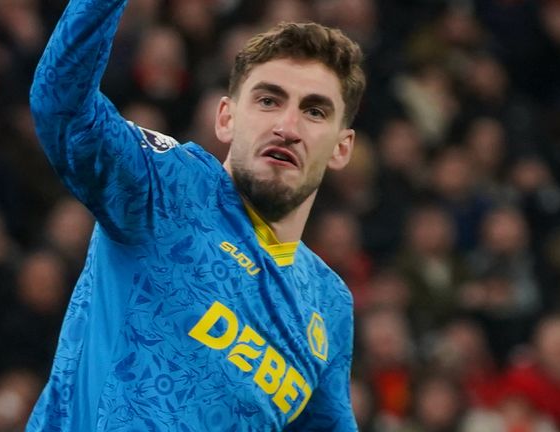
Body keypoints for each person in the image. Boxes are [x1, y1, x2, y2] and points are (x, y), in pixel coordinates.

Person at [25, 0, 365, 430]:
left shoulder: (328, 302)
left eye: (314, 111)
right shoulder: (167, 187)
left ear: (341, 147)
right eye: (268, 100)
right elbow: (63, 110)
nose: (288, 127)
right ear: (225, 118)